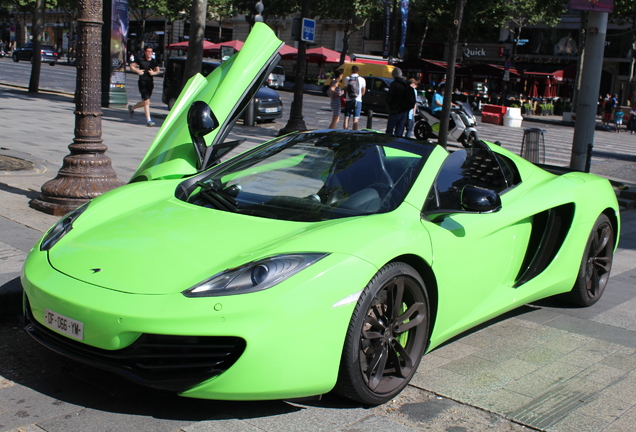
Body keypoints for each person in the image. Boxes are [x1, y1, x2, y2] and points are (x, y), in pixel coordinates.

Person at [128, 46, 160, 127]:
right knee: (146, 101)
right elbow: (131, 66)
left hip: (150, 82)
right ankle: (149, 120)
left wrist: (154, 73)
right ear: (145, 52)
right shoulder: (140, 59)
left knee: (146, 102)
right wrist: (137, 71)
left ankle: (132, 108)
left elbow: (158, 71)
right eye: (148, 51)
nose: (149, 53)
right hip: (142, 82)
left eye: (151, 51)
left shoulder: (153, 61)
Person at [385, 67, 414, 136]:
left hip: (395, 109)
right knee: (400, 129)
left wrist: (389, 105)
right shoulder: (406, 84)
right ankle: (397, 143)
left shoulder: (394, 84)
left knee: (389, 130)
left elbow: (389, 98)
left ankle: (389, 144)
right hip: (404, 110)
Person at [342, 65, 366, 130]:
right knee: (356, 119)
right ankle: (354, 133)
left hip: (349, 99)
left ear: (351, 70)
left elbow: (346, 89)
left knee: (346, 117)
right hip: (358, 100)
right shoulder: (362, 79)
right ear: (358, 71)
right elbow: (363, 91)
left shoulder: (347, 78)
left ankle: (345, 132)